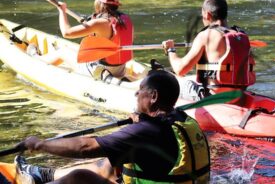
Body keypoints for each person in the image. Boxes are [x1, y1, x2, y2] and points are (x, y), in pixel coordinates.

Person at [15, 70, 211, 184]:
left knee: (79, 177)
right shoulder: (183, 120)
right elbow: (155, 133)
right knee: (113, 162)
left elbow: (85, 147)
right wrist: (141, 120)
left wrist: (40, 144)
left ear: (153, 97)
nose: (136, 93)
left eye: (141, 89)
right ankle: (46, 174)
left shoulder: (145, 132)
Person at [29, 0, 133, 81]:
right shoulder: (125, 20)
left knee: (63, 51)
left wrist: (62, 11)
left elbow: (66, 32)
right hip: (120, 70)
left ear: (99, 2)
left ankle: (36, 60)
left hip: (101, 71)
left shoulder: (98, 23)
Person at [162, 0, 255, 101]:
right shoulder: (240, 35)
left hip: (213, 94)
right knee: (192, 78)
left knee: (171, 80)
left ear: (207, 15)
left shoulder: (206, 35)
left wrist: (171, 50)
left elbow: (180, 70)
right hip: (239, 93)